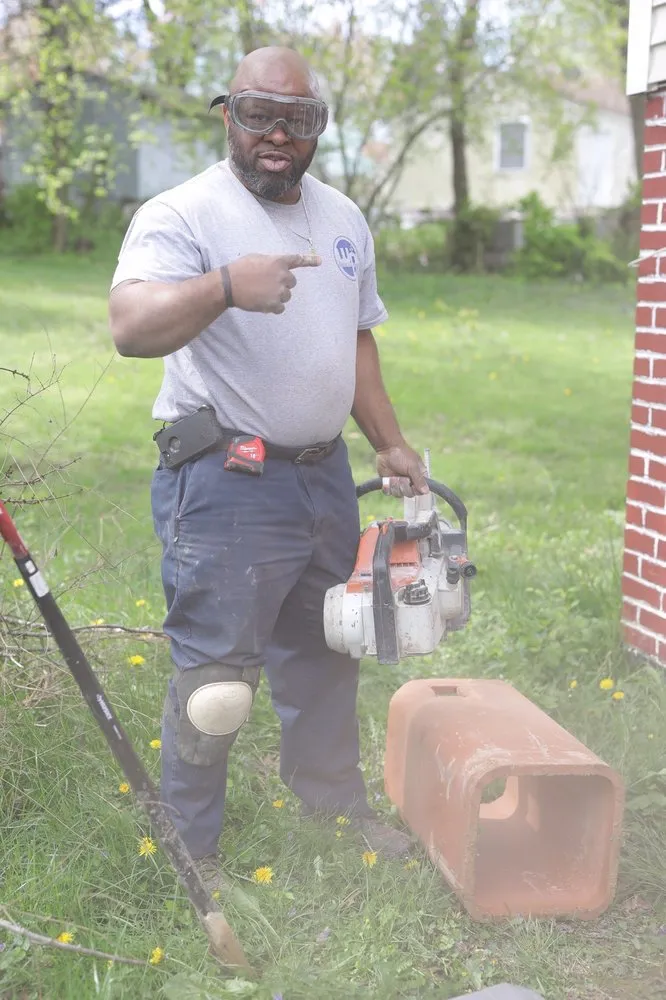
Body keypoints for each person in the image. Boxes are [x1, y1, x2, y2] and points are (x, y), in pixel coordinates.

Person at [108, 46, 427, 891]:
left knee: (328, 653)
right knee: (217, 679)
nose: (279, 134)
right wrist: (222, 286)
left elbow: (354, 340)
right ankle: (191, 850)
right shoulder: (183, 214)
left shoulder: (344, 217)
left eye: (300, 119)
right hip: (225, 479)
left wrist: (389, 442)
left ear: (318, 124)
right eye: (260, 115)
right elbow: (131, 327)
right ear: (228, 115)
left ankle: (331, 808)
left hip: (323, 478)